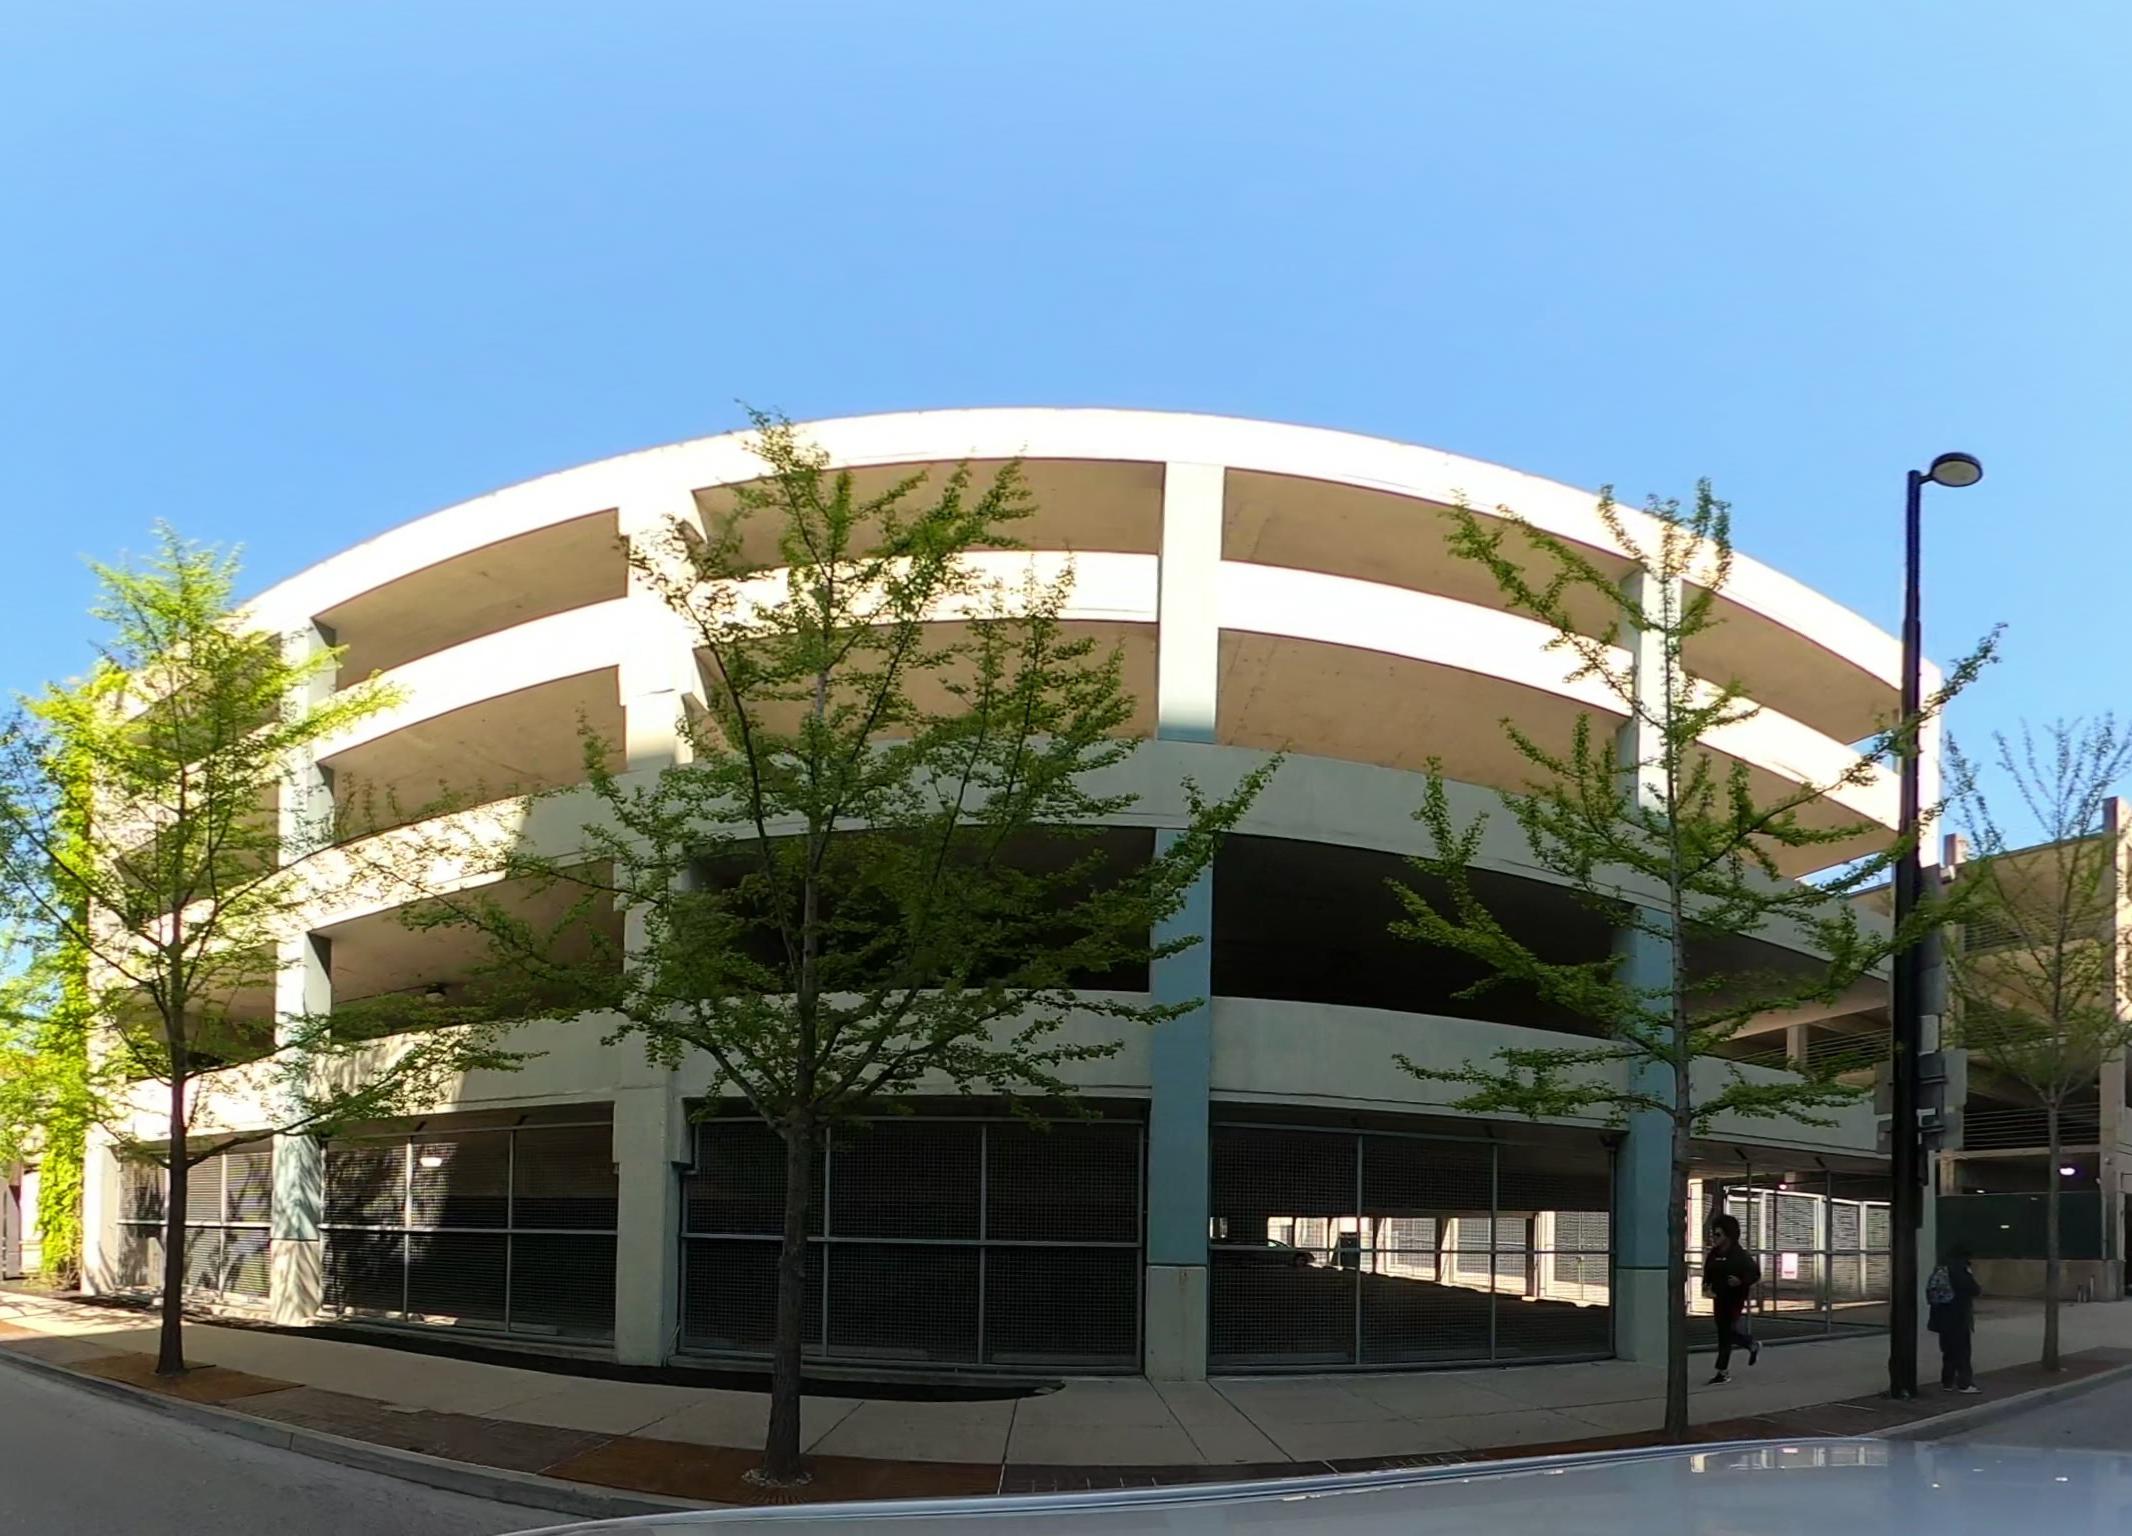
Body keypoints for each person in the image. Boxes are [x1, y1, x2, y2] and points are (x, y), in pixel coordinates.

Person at [1703, 1213, 1762, 1384]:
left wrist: (1740, 1281)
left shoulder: (1740, 1255)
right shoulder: (1714, 1254)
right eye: (1713, 1234)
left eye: (1718, 1234)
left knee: (1725, 1331)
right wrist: (1706, 1286)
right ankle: (1750, 1344)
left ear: (1728, 1235)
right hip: (1719, 1296)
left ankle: (1722, 1370)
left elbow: (1755, 1274)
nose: (1714, 1238)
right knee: (1725, 1331)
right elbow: (1708, 1271)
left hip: (1734, 1297)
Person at [1928, 1244, 1983, 1393]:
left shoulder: (1942, 1269)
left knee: (1948, 1351)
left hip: (1942, 1317)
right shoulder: (1960, 1270)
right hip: (1958, 1316)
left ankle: (1947, 1382)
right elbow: (1974, 1289)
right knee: (1962, 1352)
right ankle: (1965, 1384)